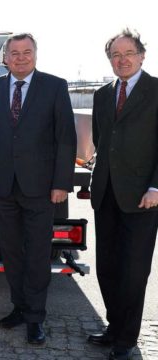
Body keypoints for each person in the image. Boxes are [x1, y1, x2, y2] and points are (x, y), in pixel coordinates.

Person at [0, 33, 77, 345]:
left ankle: (35, 318)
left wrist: (61, 183)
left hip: (42, 189)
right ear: (5, 58)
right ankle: (19, 307)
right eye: (14, 53)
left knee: (37, 254)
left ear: (36, 55)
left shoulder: (55, 86)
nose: (20, 57)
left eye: (26, 52)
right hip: (2, 188)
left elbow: (66, 139)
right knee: (11, 253)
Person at [87, 29, 158, 360]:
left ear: (142, 55)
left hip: (143, 197)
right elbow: (103, 142)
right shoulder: (102, 95)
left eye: (128, 53)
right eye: (115, 55)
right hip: (106, 194)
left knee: (133, 271)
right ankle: (114, 327)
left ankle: (127, 339)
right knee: (107, 267)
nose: (122, 59)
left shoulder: (156, 90)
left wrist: (156, 186)